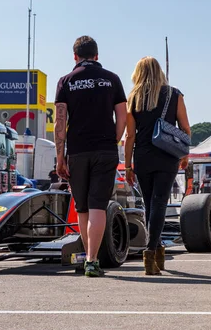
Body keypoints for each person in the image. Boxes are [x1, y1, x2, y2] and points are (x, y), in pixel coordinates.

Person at [54, 35, 127, 277]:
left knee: (82, 208)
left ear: (75, 56)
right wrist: (113, 141)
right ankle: (93, 261)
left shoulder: (65, 81)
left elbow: (60, 123)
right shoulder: (112, 79)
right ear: (97, 55)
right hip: (105, 150)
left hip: (77, 151)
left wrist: (60, 157)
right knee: (98, 206)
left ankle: (88, 257)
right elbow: (122, 117)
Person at [124, 57, 191, 275]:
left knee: (150, 206)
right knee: (160, 203)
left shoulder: (133, 98)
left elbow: (130, 136)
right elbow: (185, 128)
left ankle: (158, 251)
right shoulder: (174, 94)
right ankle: (151, 252)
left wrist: (127, 166)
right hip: (167, 155)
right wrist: (185, 154)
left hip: (142, 157)